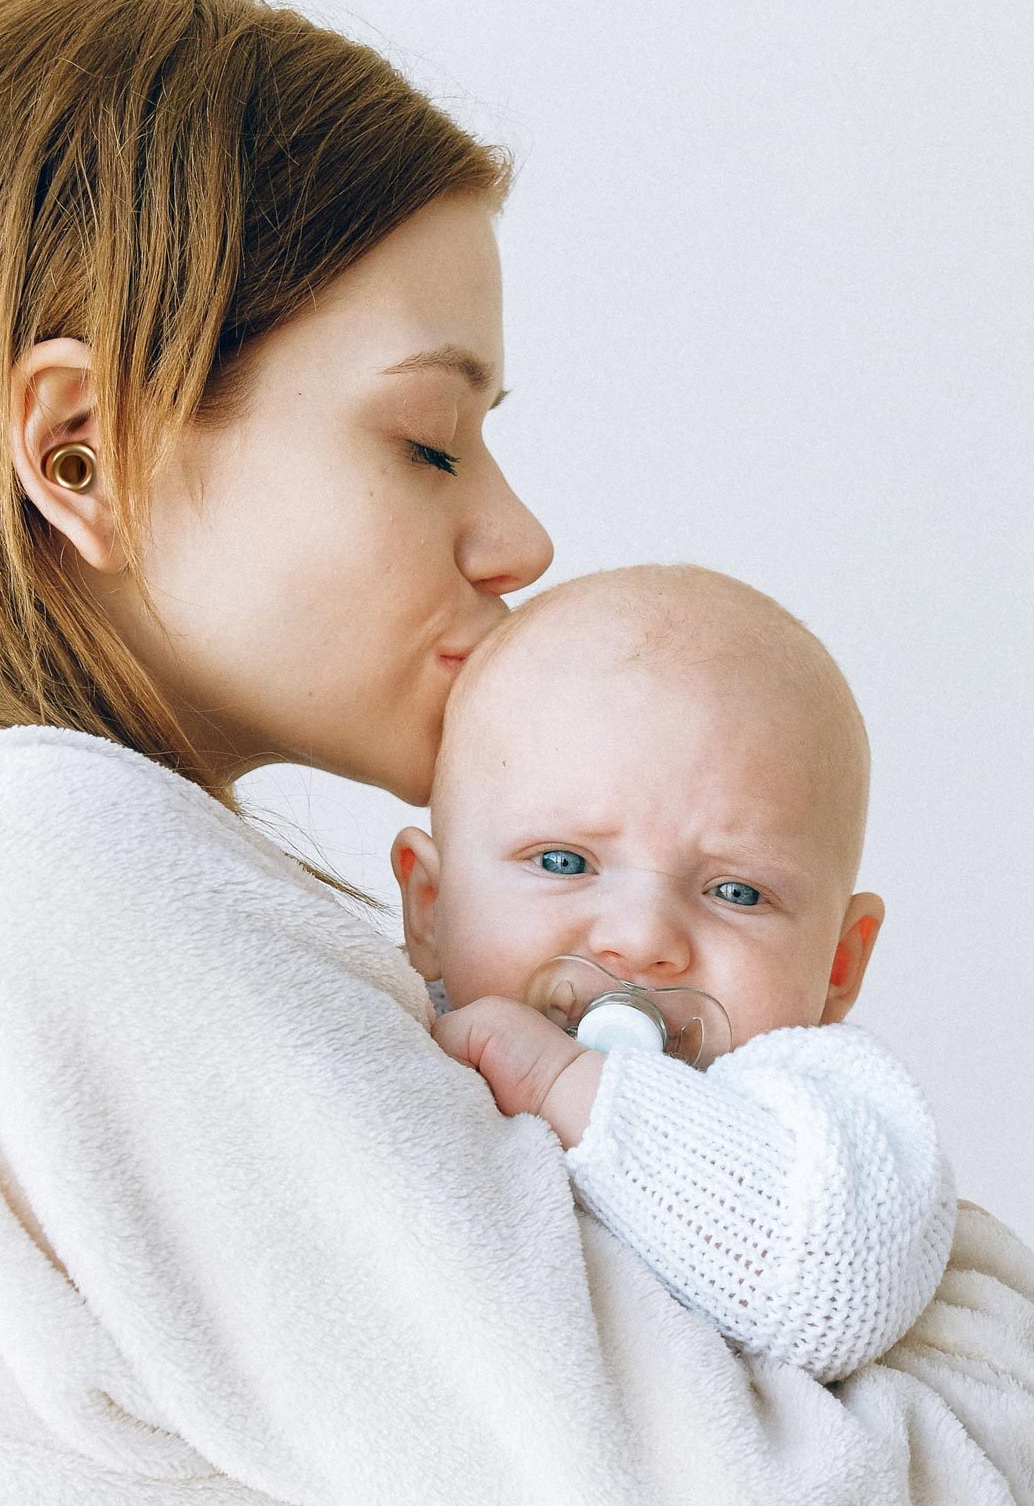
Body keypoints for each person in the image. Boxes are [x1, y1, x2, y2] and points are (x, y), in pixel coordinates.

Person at [0, 0, 1034, 1504]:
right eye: (426, 441)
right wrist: (971, 1297)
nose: (519, 536)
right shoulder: (37, 879)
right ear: (80, 453)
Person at [392, 561, 959, 1386]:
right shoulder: (383, 1041)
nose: (642, 941)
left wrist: (560, 1084)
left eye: (737, 891)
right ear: (430, 908)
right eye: (563, 860)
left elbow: (836, 1285)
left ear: (839, 964)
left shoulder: (826, 1110)